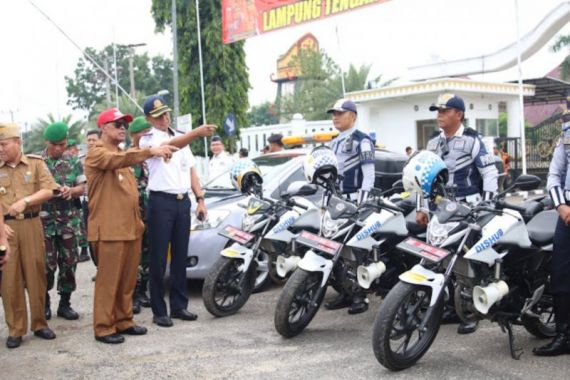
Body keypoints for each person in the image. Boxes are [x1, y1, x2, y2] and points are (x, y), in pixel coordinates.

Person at [85, 108, 178, 344]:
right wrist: (150, 151)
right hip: (108, 229)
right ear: (104, 127)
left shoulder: (122, 153)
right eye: (117, 124)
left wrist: (138, 224)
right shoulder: (97, 152)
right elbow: (116, 160)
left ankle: (124, 320)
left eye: (124, 125)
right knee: (109, 282)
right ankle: (104, 327)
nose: (122, 128)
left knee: (128, 280)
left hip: (129, 228)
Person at [417, 93, 498, 334]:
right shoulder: (433, 143)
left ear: (459, 114)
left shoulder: (473, 140)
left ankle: (470, 312)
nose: (439, 115)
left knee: (464, 261)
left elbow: (490, 174)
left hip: (466, 209)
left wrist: (487, 206)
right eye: (437, 110)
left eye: (444, 110)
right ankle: (451, 308)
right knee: (440, 258)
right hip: (439, 209)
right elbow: (424, 177)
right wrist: (422, 207)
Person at [138, 95, 216, 327]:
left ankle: (179, 306)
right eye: (158, 115)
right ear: (148, 119)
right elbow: (170, 147)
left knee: (181, 256)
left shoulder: (179, 135)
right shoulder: (147, 141)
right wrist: (195, 133)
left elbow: (191, 170)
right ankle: (159, 311)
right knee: (159, 259)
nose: (164, 118)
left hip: (183, 202)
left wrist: (200, 199)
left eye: (166, 113)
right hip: (161, 202)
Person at [0, 122, 59, 349]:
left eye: (4, 144)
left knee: (37, 273)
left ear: (18, 142)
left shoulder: (35, 164)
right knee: (10, 280)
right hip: (6, 230)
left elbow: (49, 189)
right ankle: (16, 329)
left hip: (32, 224)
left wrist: (26, 201)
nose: (1, 149)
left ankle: (39, 323)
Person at [324, 98, 375, 315]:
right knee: (333, 249)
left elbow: (369, 174)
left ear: (352, 116)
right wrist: (325, 201)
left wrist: (361, 204)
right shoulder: (333, 142)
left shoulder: (362, 140)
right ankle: (345, 292)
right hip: (336, 202)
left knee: (354, 251)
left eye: (339, 113)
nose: (335, 117)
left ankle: (360, 296)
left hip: (354, 201)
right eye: (333, 113)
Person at [40, 122, 86, 321]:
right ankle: (44, 303)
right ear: (47, 142)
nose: (59, 148)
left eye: (63, 144)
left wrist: (71, 191)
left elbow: (82, 188)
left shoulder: (74, 161)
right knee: (46, 265)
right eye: (55, 144)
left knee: (69, 262)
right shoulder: (36, 162)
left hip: (68, 221)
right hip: (44, 223)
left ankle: (65, 303)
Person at [533, 119, 570, 356]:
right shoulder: (567, 134)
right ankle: (564, 336)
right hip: (567, 213)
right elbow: (555, 174)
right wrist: (561, 206)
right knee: (561, 275)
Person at [127, 116, 152, 314]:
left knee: (148, 252)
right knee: (134, 254)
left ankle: (144, 291)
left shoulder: (153, 154)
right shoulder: (128, 157)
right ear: (133, 135)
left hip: (152, 210)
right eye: (142, 132)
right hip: (134, 212)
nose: (146, 135)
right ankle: (133, 295)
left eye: (147, 132)